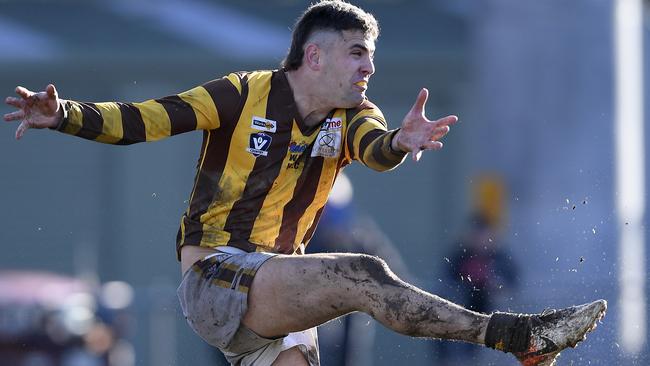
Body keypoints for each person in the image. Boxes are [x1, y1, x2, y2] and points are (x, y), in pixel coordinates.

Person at [4, 1, 606, 365]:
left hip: (275, 294)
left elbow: (375, 150)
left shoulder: (354, 117)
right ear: (314, 58)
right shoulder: (243, 92)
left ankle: (518, 339)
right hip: (215, 279)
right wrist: (63, 114)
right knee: (363, 274)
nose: (369, 67)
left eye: (370, 56)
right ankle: (514, 336)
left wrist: (399, 142)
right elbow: (143, 121)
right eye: (356, 53)